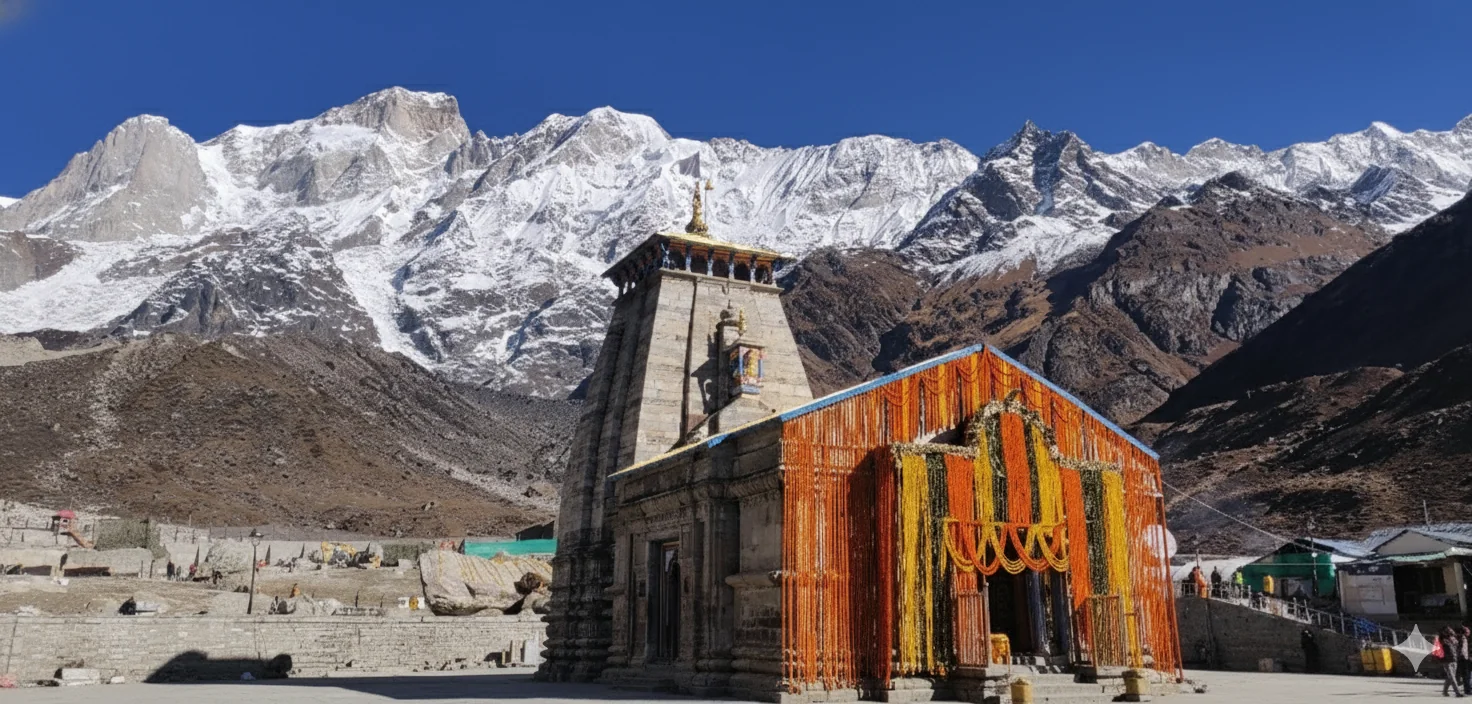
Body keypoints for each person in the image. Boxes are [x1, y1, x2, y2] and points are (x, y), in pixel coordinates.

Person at [1441, 626, 1464, 698]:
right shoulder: (1443, 640)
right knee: (1452, 677)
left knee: (1450, 677)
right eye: (1448, 631)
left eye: (1450, 630)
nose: (1450, 632)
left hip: (1454, 660)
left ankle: (1445, 691)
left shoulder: (1454, 639)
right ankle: (1458, 692)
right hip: (1447, 661)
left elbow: (1458, 647)